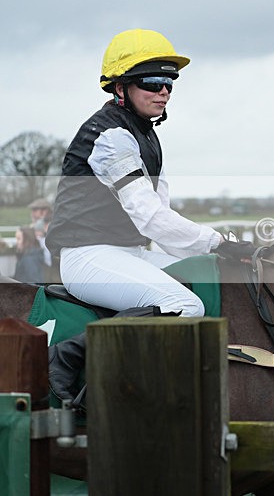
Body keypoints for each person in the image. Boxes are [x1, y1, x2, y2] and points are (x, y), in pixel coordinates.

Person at [44, 29, 256, 406]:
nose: (164, 91)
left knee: (210, 276)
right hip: (88, 257)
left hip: (127, 253)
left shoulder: (145, 136)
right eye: (152, 82)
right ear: (120, 87)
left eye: (170, 83)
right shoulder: (111, 136)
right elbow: (150, 218)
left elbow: (163, 223)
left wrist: (217, 254)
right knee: (186, 306)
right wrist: (219, 242)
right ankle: (73, 355)